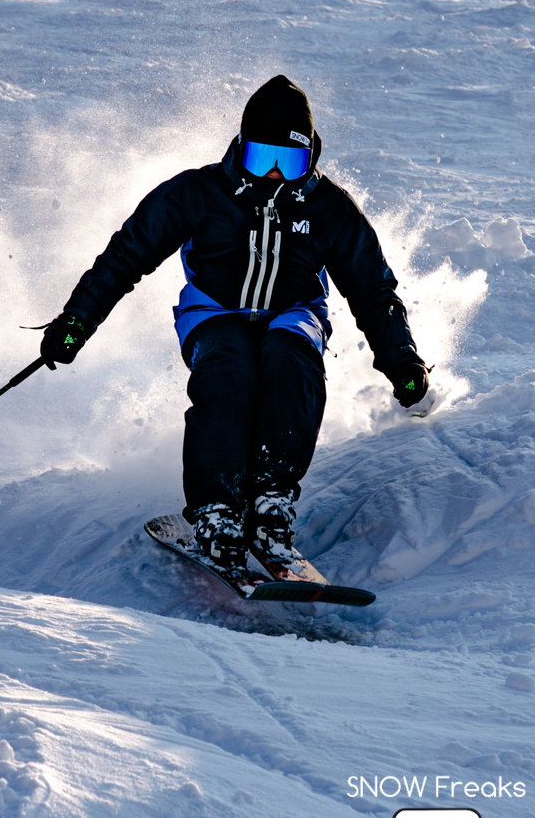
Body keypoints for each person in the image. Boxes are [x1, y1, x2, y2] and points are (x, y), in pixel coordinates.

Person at [39, 75, 430, 571]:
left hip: (294, 313)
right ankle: (216, 509)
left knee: (290, 363)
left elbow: (373, 291)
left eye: (288, 162)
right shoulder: (198, 193)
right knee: (228, 369)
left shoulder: (331, 209)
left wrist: (402, 362)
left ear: (311, 157)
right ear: (240, 147)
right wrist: (77, 322)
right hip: (214, 309)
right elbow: (125, 256)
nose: (271, 175)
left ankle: (272, 501)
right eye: (259, 157)